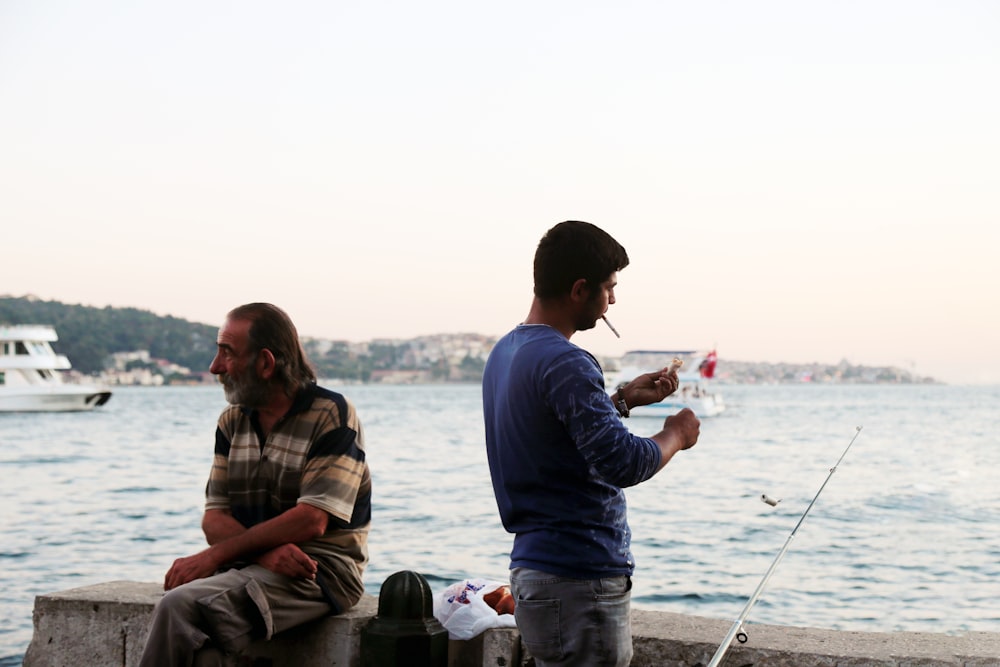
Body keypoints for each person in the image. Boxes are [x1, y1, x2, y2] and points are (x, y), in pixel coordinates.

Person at [482, 221, 701, 667]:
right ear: (580, 289)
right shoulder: (567, 360)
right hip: (578, 580)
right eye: (609, 288)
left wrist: (619, 400)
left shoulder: (506, 352)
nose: (613, 301)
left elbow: (554, 436)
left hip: (536, 572)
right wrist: (675, 434)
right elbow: (622, 462)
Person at [139, 303, 371, 666]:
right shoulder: (232, 421)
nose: (215, 367)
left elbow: (312, 519)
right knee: (205, 656)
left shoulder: (331, 414)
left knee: (179, 607)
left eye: (227, 353)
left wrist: (215, 556)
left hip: (319, 571)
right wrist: (262, 554)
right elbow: (213, 520)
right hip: (250, 565)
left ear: (265, 363)